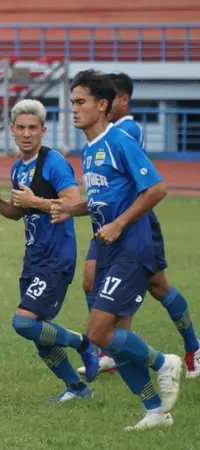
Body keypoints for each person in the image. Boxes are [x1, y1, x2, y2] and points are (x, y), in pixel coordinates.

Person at [51, 70, 181, 430]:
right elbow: (99, 198)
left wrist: (120, 223)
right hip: (108, 250)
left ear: (102, 105)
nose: (73, 110)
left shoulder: (119, 140)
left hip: (130, 249)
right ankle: (156, 412)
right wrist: (69, 208)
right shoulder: (91, 150)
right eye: (72, 103)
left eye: (80, 102)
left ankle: (163, 361)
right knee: (119, 341)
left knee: (97, 333)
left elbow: (156, 189)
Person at [76, 72, 200, 379]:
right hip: (109, 222)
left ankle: (192, 347)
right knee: (92, 280)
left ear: (118, 101)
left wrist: (119, 222)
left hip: (136, 221)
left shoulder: (125, 130)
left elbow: (149, 186)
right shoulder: (95, 142)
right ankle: (111, 349)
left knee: (158, 286)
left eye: (85, 101)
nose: (80, 108)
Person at [0, 99, 99, 401]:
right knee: (39, 333)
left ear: (43, 130)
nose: (26, 134)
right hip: (33, 257)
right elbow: (18, 213)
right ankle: (76, 388)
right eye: (20, 128)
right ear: (11, 130)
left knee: (24, 322)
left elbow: (74, 202)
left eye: (33, 128)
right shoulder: (18, 167)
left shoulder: (54, 162)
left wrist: (36, 202)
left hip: (57, 256)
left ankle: (84, 344)